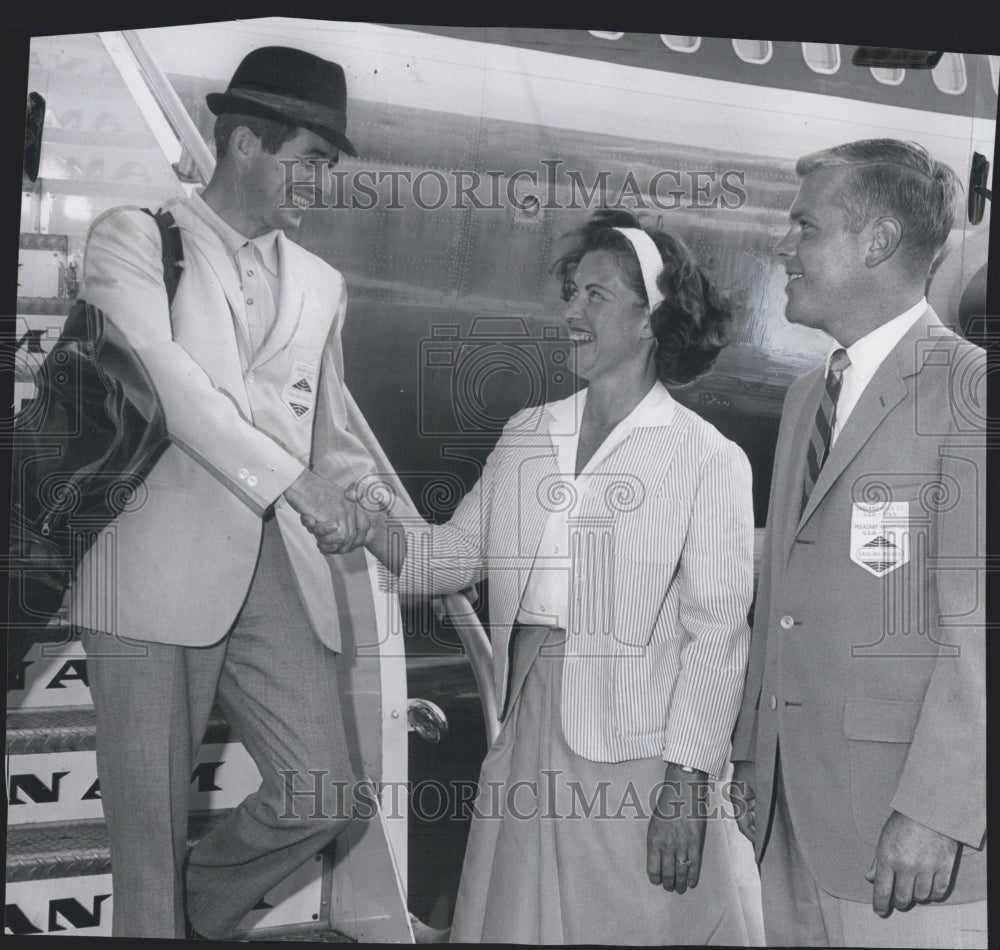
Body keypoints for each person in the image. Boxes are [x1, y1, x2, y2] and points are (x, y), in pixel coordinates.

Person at [314, 209, 759, 944]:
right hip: (526, 727)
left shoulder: (707, 458)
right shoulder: (527, 432)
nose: (571, 312)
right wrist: (371, 526)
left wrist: (683, 789)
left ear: (652, 320)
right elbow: (443, 559)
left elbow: (717, 636)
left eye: (597, 296)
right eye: (571, 292)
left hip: (641, 756)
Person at [73, 46, 389, 939]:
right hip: (141, 569)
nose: (321, 186)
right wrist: (295, 484)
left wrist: (394, 523)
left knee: (323, 791)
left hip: (267, 568)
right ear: (246, 142)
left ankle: (182, 917)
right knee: (145, 846)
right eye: (310, 163)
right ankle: (155, 918)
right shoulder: (133, 239)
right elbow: (169, 385)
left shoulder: (323, 284)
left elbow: (333, 439)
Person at [729, 139, 986, 948]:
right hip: (792, 819)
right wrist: (749, 757)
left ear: (876, 242)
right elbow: (784, 598)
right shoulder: (811, 394)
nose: (784, 245)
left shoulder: (970, 393)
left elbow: (980, 630)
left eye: (805, 226)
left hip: (906, 845)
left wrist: (936, 812)